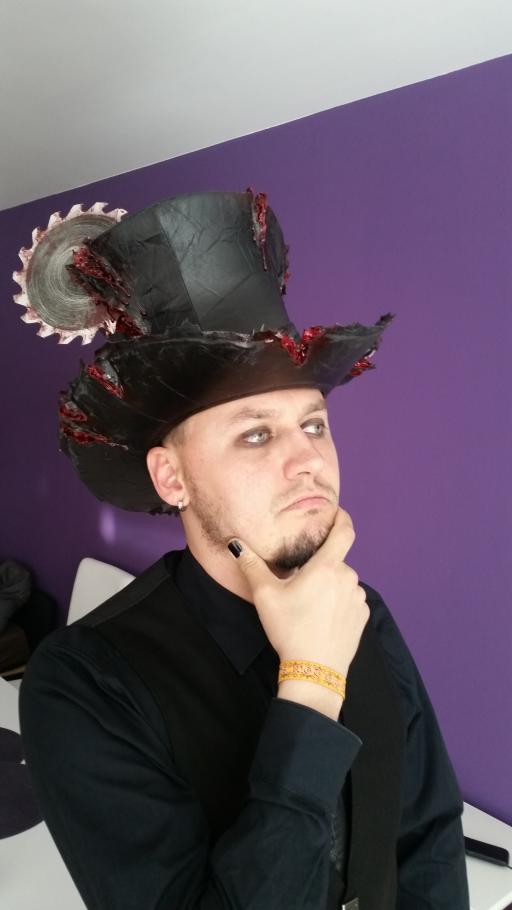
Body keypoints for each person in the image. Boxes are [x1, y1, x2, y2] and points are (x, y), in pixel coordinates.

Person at [16, 190, 470, 909]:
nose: (308, 461)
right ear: (173, 478)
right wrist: (312, 681)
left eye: (313, 425)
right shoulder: (82, 685)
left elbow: (428, 835)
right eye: (256, 434)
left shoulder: (361, 611)